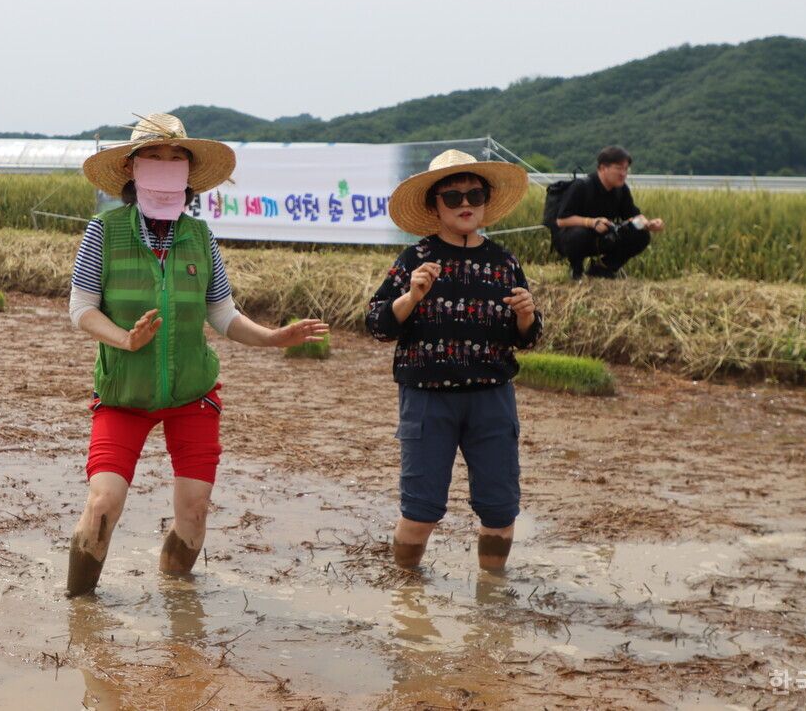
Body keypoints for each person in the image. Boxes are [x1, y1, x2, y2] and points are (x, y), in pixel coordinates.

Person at [65, 112, 328, 598]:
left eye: (176, 157)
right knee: (103, 504)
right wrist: (125, 339)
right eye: (154, 156)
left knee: (195, 509)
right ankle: (79, 612)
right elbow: (80, 308)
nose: (165, 164)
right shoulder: (104, 231)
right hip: (124, 393)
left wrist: (273, 337)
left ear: (188, 175)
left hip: (192, 393)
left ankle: (178, 606)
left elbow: (223, 314)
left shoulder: (200, 237)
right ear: (132, 168)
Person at [367, 150, 542, 573]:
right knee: (421, 508)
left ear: (485, 203)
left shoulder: (504, 263)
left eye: (475, 195)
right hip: (428, 399)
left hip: (492, 398)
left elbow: (529, 339)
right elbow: (377, 324)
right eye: (453, 197)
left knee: (500, 509)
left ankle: (492, 593)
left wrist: (526, 316)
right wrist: (410, 297)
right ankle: (405, 593)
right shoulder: (415, 260)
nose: (465, 204)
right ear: (434, 207)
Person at [555, 145, 665, 280]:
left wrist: (648, 223)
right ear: (603, 168)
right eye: (619, 169)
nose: (623, 174)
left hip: (606, 237)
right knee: (578, 234)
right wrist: (591, 222)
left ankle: (603, 268)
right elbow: (561, 220)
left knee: (641, 234)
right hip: (576, 238)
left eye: (626, 169)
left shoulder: (621, 189)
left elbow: (633, 214)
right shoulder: (582, 186)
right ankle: (576, 269)